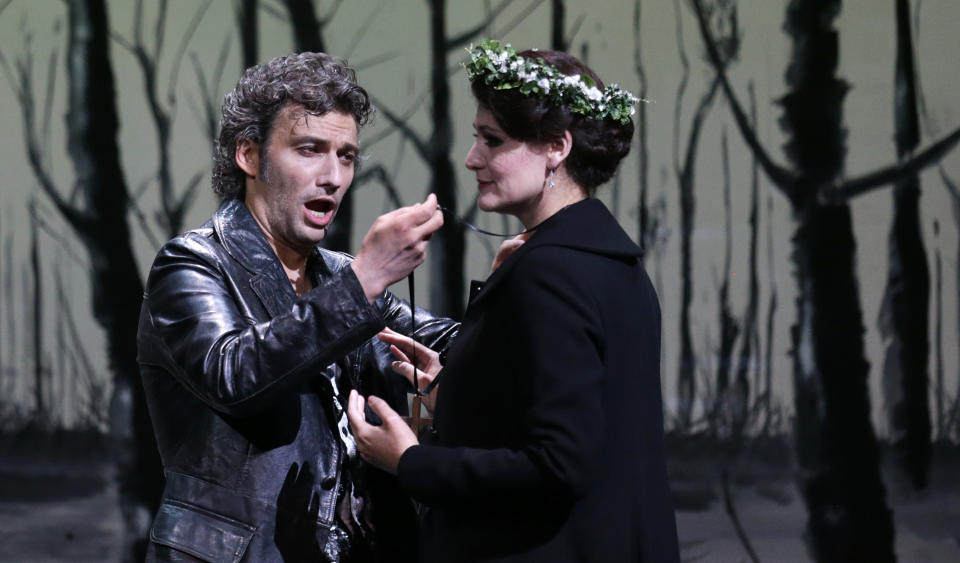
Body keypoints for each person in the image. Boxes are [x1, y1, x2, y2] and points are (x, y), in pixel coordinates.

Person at [347, 40, 680, 562]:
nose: (471, 157)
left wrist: (409, 462)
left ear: (557, 148)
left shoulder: (551, 271)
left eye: (492, 139)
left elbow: (558, 463)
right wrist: (458, 392)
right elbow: (575, 422)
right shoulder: (611, 265)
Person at [137, 52, 459, 562]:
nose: (333, 175)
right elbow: (235, 374)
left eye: (347, 155)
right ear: (249, 155)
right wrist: (365, 280)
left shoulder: (335, 273)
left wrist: (519, 285)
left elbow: (447, 341)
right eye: (310, 149)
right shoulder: (193, 264)